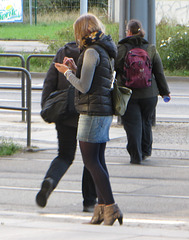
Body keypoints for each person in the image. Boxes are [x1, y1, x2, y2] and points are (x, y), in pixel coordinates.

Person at [55, 13, 123, 226]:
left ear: (82, 31)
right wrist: (76, 68)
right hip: (101, 111)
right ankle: (102, 210)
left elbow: (84, 87)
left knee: (91, 161)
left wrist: (67, 73)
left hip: (92, 113)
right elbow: (92, 80)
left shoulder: (92, 51)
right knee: (98, 161)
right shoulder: (101, 49)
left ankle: (111, 207)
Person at [35, 41, 97, 213]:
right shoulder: (94, 53)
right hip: (87, 114)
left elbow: (49, 81)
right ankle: (90, 201)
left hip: (64, 113)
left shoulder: (63, 52)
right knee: (90, 159)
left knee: (64, 155)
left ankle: (50, 180)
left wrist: (47, 107)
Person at [115, 19, 171, 164]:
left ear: (128, 31)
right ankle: (145, 151)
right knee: (146, 121)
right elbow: (159, 72)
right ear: (141, 31)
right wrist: (164, 92)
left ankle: (136, 155)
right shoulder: (150, 48)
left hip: (128, 93)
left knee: (133, 124)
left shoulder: (121, 48)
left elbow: (114, 67)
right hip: (149, 94)